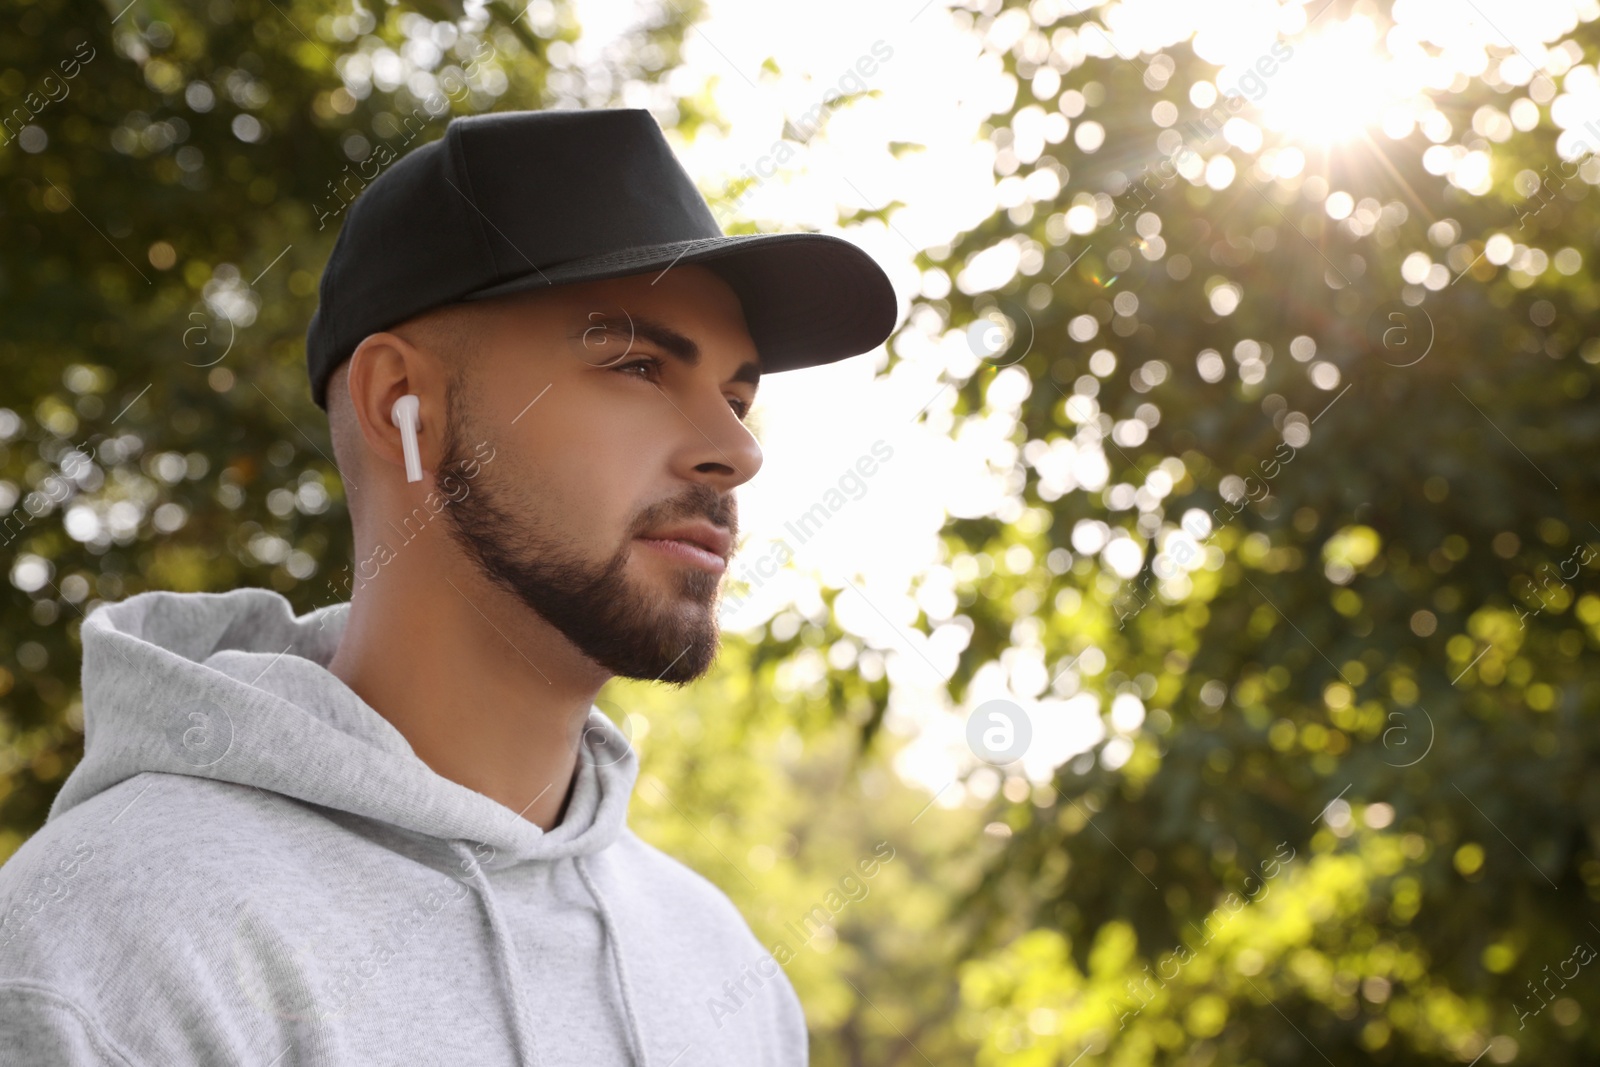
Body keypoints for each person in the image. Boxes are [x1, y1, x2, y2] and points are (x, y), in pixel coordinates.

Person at [0, 108, 898, 1065]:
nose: (738, 450)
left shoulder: (726, 972)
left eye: (736, 397)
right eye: (637, 365)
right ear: (401, 404)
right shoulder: (105, 947)